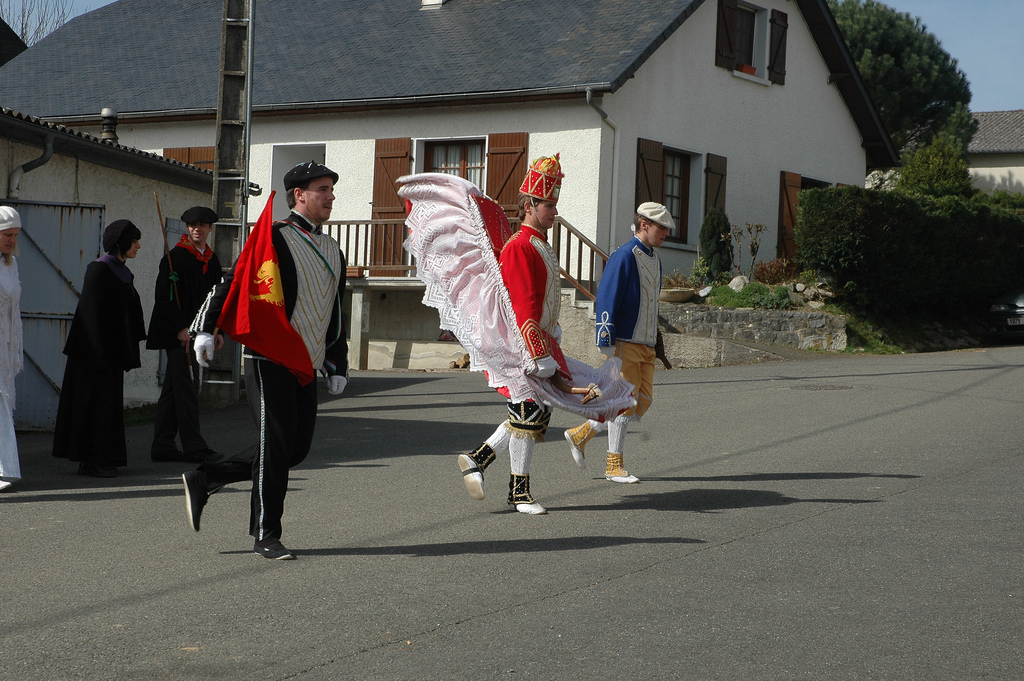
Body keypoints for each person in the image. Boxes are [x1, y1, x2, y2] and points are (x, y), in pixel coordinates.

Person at [401, 155, 634, 515]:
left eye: (554, 204)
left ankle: (478, 460)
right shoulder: (521, 246)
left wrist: (550, 341)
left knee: (535, 413)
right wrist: (539, 355)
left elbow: (541, 304)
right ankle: (517, 492)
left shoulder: (537, 244)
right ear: (529, 206)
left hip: (539, 343)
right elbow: (524, 307)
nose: (555, 211)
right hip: (522, 346)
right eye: (549, 205)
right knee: (528, 413)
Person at [182, 161, 349, 560]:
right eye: (322, 189)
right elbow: (234, 279)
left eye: (331, 189)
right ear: (299, 195)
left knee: (295, 449)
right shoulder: (273, 236)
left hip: (306, 360)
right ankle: (266, 534)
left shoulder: (333, 248)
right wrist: (205, 326)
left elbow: (336, 310)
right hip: (269, 354)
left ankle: (208, 476)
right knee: (274, 446)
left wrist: (337, 361)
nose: (330, 196)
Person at [563, 202, 674, 483]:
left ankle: (580, 435)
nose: (666, 233)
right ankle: (614, 466)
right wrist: (606, 338)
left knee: (642, 400)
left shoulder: (655, 259)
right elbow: (607, 297)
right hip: (625, 342)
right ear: (644, 224)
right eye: (662, 227)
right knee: (624, 403)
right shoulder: (624, 255)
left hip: (646, 344)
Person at [52, 220, 147, 478]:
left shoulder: (121, 271)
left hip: (110, 354)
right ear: (121, 243)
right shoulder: (99, 270)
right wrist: (99, 354)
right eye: (134, 241)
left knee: (106, 407)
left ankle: (103, 457)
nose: (138, 246)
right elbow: (91, 316)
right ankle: (91, 460)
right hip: (93, 356)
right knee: (93, 406)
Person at [146, 206, 223, 463]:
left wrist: (216, 330)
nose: (196, 229)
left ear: (210, 228)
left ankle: (162, 446)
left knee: (173, 390)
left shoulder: (212, 260)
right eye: (192, 225)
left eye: (201, 225)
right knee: (188, 388)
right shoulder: (174, 257)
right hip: (178, 335)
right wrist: (181, 328)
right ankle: (194, 447)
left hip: (199, 334)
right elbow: (164, 297)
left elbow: (215, 299)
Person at [0, 207, 23, 492]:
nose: (12, 240)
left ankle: (4, 467)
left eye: (15, 235)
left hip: (4, 345)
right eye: (7, 234)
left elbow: (14, 310)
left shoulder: (11, 264)